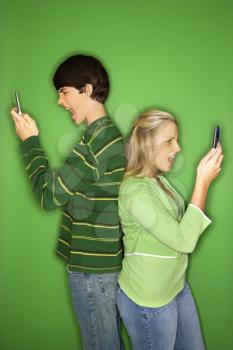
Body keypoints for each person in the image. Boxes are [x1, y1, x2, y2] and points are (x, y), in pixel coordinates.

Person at [10, 54, 125, 350]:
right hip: (102, 267)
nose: (60, 101)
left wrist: (30, 141)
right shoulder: (108, 136)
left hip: (92, 271)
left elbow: (49, 196)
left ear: (86, 89)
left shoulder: (95, 142)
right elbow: (74, 193)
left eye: (64, 92)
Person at [116, 109, 223, 350]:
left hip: (176, 286)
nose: (178, 148)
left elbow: (182, 227)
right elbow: (184, 240)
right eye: (170, 141)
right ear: (147, 144)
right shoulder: (134, 192)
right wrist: (202, 182)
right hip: (149, 301)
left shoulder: (158, 180)